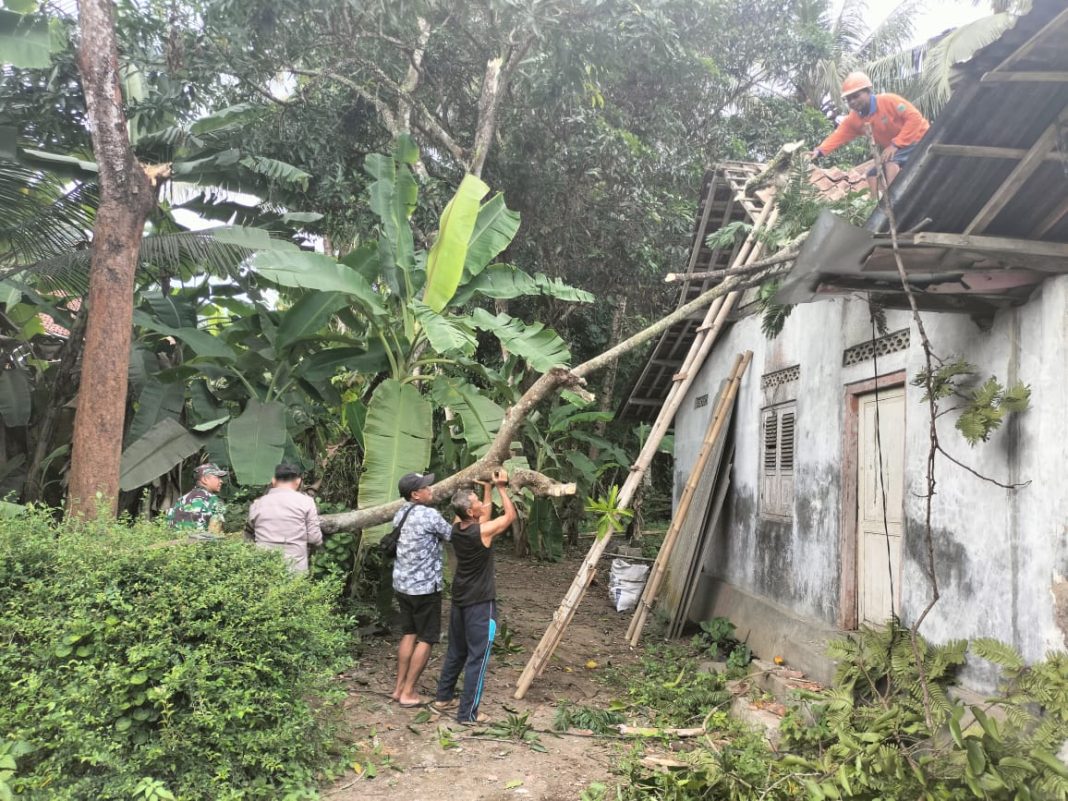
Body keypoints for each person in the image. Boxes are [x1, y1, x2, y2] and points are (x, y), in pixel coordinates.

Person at [434, 470, 516, 724]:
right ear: (471, 512)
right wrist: (502, 487)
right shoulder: (482, 532)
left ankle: (443, 697)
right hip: (480, 603)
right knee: (477, 658)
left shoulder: (457, 528)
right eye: (477, 502)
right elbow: (509, 517)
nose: (480, 504)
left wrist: (487, 490)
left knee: (456, 651)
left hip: (460, 599)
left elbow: (485, 521)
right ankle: (468, 714)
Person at [809, 72, 930, 196]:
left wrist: (895, 144)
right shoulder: (854, 119)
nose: (852, 102)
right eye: (849, 99)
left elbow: (914, 118)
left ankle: (896, 199)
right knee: (872, 174)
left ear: (868, 91)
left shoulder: (888, 100)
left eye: (856, 96)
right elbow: (838, 136)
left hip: (920, 139)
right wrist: (819, 151)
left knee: (890, 161)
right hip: (899, 149)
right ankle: (877, 206)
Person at [390, 471, 454, 707]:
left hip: (402, 585)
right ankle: (409, 691)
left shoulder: (400, 513)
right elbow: (452, 535)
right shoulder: (429, 515)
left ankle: (398, 688)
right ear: (415, 494)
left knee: (409, 633)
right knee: (427, 638)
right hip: (425, 588)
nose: (431, 490)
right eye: (426, 488)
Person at [245, 463, 322, 573]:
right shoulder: (307, 502)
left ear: (273, 480)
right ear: (298, 481)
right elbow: (315, 538)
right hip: (295, 571)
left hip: (263, 569)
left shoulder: (257, 504)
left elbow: (248, 534)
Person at [166, 463, 227, 539]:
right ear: (205, 479)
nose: (221, 481)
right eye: (217, 477)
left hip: (177, 546)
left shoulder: (182, 499)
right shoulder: (213, 500)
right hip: (202, 545)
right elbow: (216, 532)